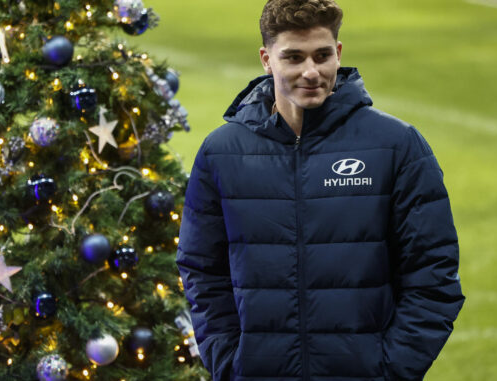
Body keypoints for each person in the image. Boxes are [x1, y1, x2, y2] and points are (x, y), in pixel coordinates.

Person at [176, 0, 465, 380]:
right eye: (293, 57)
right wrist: (231, 362)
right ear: (266, 59)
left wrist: (392, 369)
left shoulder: (397, 145)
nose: (311, 72)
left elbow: (433, 271)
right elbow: (201, 268)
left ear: (338, 53)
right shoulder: (222, 152)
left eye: (322, 55)